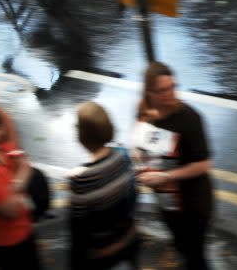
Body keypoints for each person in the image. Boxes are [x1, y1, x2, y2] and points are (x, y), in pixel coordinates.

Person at [134, 61, 213, 270]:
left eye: (172, 87)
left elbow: (204, 164)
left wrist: (166, 177)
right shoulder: (143, 112)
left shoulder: (189, 118)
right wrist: (138, 156)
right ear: (148, 92)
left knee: (195, 256)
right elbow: (141, 144)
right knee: (182, 247)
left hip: (194, 202)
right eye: (161, 91)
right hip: (167, 202)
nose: (169, 94)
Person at [69, 102, 139, 270]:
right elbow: (133, 195)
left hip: (103, 253)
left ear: (81, 136)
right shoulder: (123, 155)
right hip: (129, 239)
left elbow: (79, 229)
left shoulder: (81, 179)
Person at [0, 101, 41, 270]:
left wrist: (15, 184)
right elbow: (11, 210)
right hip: (9, 244)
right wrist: (20, 180)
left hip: (24, 231)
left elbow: (20, 157)